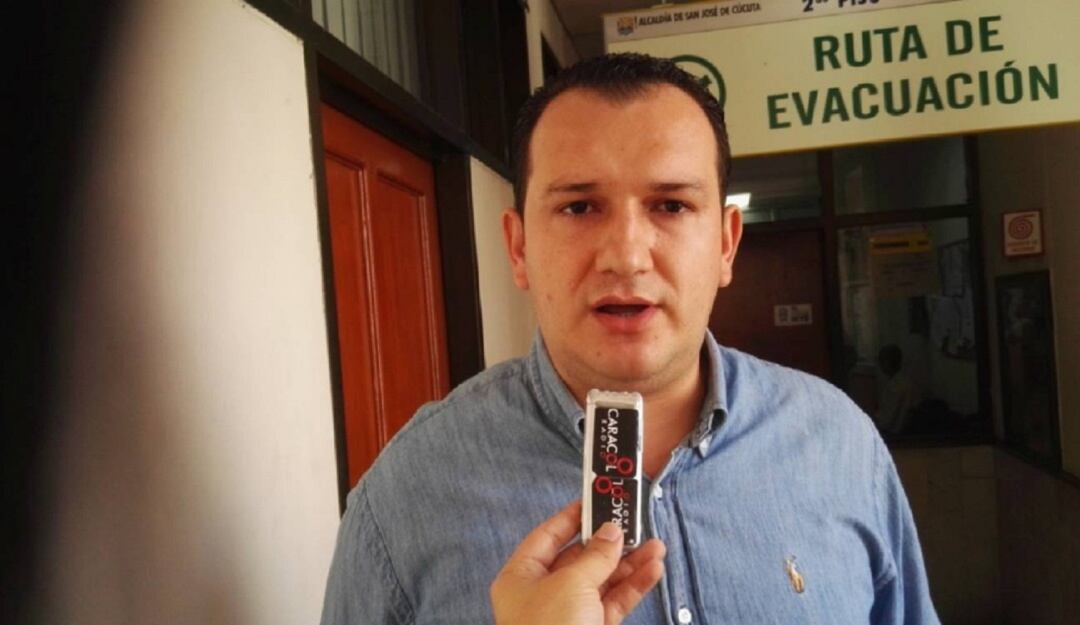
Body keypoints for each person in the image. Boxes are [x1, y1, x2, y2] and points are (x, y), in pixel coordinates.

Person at [320, 53, 939, 625]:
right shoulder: (408, 494)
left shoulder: (839, 443)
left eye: (671, 206)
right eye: (579, 207)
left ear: (726, 244)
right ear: (519, 247)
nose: (627, 256)